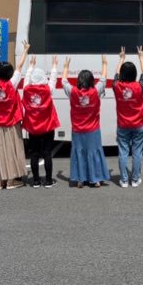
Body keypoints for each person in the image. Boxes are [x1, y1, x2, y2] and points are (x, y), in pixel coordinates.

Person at [62, 56, 110, 188]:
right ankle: (96, 179)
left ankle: (80, 179)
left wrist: (66, 67)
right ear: (91, 81)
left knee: (79, 152)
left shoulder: (73, 92)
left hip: (77, 130)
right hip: (93, 130)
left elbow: (63, 81)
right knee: (93, 152)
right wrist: (104, 63)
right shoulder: (96, 91)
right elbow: (104, 79)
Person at [23, 55, 60, 188]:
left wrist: (30, 66)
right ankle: (49, 180)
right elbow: (53, 80)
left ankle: (36, 181)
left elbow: (26, 80)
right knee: (47, 154)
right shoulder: (47, 90)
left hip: (33, 128)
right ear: (44, 78)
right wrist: (54, 66)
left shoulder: (27, 90)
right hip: (48, 127)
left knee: (34, 154)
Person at [113, 46, 143, 188]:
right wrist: (141, 57)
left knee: (123, 152)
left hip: (123, 125)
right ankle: (135, 179)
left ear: (122, 74)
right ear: (134, 74)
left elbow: (115, 75)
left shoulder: (117, 86)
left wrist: (121, 58)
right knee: (137, 152)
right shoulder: (140, 87)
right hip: (139, 124)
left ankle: (124, 180)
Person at [0, 41, 30, 190]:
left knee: (0, 151)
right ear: (9, 74)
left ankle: (0, 181)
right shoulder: (12, 83)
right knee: (12, 150)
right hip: (11, 122)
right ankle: (11, 180)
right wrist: (25, 50)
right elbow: (19, 66)